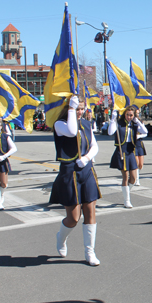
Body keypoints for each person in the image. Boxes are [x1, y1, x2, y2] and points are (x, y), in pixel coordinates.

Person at [50, 96, 102, 266]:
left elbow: (94, 146)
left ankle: (89, 252)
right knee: (73, 218)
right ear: (68, 108)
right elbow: (72, 131)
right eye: (76, 108)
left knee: (90, 211)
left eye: (81, 108)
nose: (80, 111)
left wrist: (86, 158)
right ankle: (61, 238)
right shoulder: (60, 124)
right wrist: (71, 109)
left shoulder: (86, 124)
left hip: (86, 170)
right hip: (69, 172)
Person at [108, 106, 148, 209]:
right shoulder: (119, 123)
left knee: (134, 178)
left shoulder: (134, 124)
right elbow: (110, 132)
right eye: (127, 115)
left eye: (131, 115)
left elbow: (145, 131)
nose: (129, 117)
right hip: (121, 151)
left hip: (131, 151)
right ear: (124, 114)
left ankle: (126, 192)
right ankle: (127, 200)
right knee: (125, 177)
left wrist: (137, 122)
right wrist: (113, 119)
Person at [134, 114, 148, 186]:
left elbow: (145, 133)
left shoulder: (140, 122)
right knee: (136, 163)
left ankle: (135, 175)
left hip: (139, 143)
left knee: (140, 165)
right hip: (133, 144)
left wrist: (139, 136)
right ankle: (137, 180)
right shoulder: (130, 123)